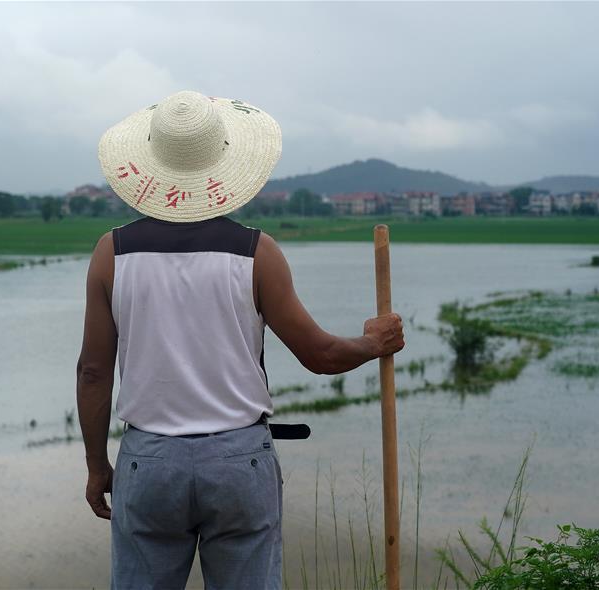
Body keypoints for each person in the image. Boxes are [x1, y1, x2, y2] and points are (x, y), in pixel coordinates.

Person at [76, 90, 405, 590]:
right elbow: (319, 355)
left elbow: (93, 372)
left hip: (150, 463)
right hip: (237, 462)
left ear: (150, 167)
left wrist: (97, 464)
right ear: (222, 165)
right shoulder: (257, 253)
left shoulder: (111, 253)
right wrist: (373, 342)